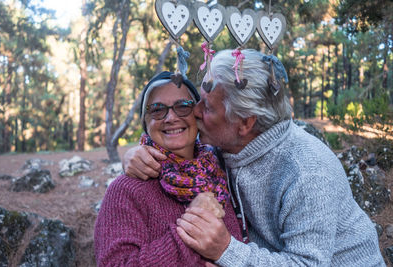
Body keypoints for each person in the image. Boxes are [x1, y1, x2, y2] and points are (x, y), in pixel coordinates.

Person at [122, 50, 385, 266]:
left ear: (245, 123)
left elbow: (308, 264)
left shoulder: (307, 172)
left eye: (208, 107)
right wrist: (137, 152)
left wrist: (226, 250)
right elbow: (175, 139)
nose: (195, 112)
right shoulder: (220, 146)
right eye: (197, 100)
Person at [94, 71, 243, 266]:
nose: (170, 118)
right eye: (157, 110)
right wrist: (191, 227)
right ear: (146, 123)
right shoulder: (125, 191)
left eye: (183, 107)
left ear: (198, 114)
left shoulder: (222, 171)